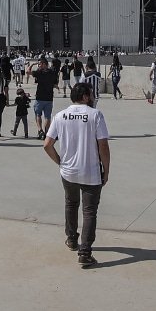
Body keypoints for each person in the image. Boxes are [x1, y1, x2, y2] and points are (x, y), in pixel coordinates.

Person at [43, 82, 110, 268]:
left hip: (68, 171)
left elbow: (47, 144)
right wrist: (107, 169)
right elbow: (103, 145)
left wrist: (60, 162)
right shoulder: (95, 115)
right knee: (89, 211)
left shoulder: (60, 116)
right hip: (91, 172)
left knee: (71, 204)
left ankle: (72, 239)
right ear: (86, 96)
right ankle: (85, 252)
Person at [31, 57, 57, 140]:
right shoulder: (53, 72)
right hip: (49, 97)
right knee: (47, 117)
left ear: (44, 64)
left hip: (40, 97)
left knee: (38, 114)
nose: (39, 65)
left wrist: (32, 64)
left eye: (40, 64)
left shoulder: (39, 72)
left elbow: (27, 72)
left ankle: (40, 131)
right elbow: (55, 84)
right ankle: (46, 132)